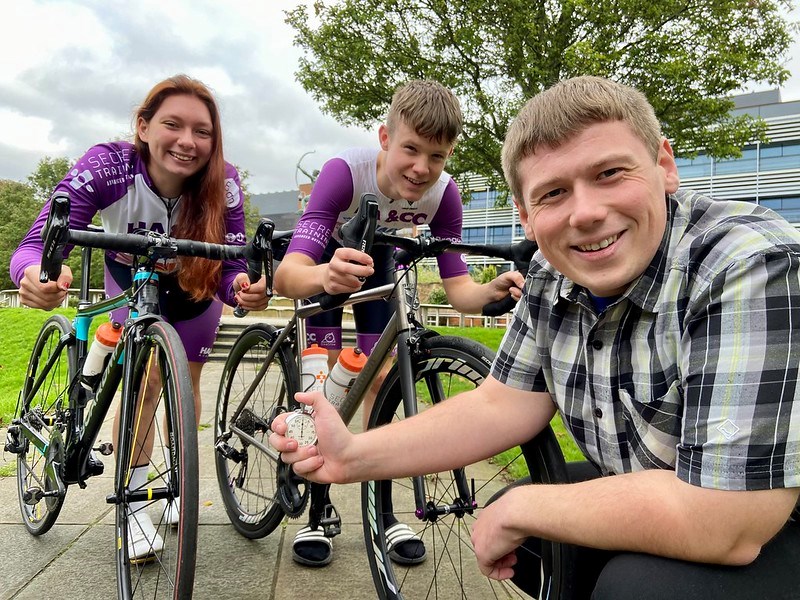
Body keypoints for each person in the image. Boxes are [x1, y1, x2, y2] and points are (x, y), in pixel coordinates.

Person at [270, 75, 800, 599]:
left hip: (762, 512)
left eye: (610, 173)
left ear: (664, 166)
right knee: (533, 541)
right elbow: (500, 405)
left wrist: (527, 509)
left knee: (629, 581)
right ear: (525, 215)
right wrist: (352, 455)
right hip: (656, 479)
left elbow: (729, 518)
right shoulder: (552, 270)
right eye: (553, 193)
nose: (587, 213)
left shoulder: (747, 262)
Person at [10, 74, 270, 562]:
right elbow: (37, 240)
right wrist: (34, 274)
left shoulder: (225, 182)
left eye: (203, 131)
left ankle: (173, 479)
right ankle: (132, 506)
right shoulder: (108, 165)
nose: (187, 142)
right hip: (130, 280)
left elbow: (232, 264)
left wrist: (243, 289)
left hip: (193, 288)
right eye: (172, 124)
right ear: (144, 126)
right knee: (145, 385)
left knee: (185, 391)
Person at [273, 79, 525, 567]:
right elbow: (287, 275)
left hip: (380, 258)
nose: (421, 168)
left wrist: (491, 293)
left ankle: (382, 511)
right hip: (325, 261)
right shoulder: (345, 173)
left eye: (437, 156)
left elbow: (458, 291)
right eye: (411, 149)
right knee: (319, 380)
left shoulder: (444, 195)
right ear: (386, 139)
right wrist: (326, 273)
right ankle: (318, 510)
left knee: (381, 380)